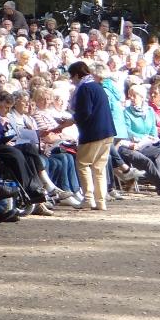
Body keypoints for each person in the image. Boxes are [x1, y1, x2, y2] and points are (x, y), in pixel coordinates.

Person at [68, 61, 115, 210]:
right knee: (99, 168)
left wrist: (70, 120)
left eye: (72, 77)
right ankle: (100, 201)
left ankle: (88, 198)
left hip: (93, 133)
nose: (72, 80)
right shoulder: (98, 86)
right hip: (108, 132)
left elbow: (85, 112)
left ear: (76, 75)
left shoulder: (85, 88)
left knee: (83, 164)